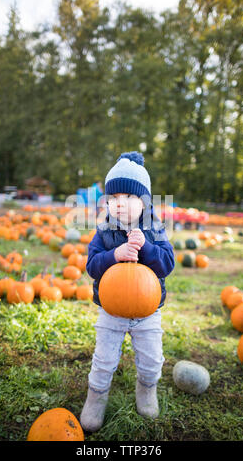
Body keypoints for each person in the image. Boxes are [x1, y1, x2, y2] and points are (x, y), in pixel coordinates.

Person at [80, 151, 175, 432]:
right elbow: (92, 266)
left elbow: (167, 264)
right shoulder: (103, 231)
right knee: (104, 359)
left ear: (144, 201)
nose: (119, 204)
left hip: (148, 311)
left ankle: (146, 389)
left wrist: (145, 247)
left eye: (128, 198)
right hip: (111, 310)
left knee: (151, 358)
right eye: (113, 198)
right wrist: (114, 255)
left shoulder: (155, 230)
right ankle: (96, 396)